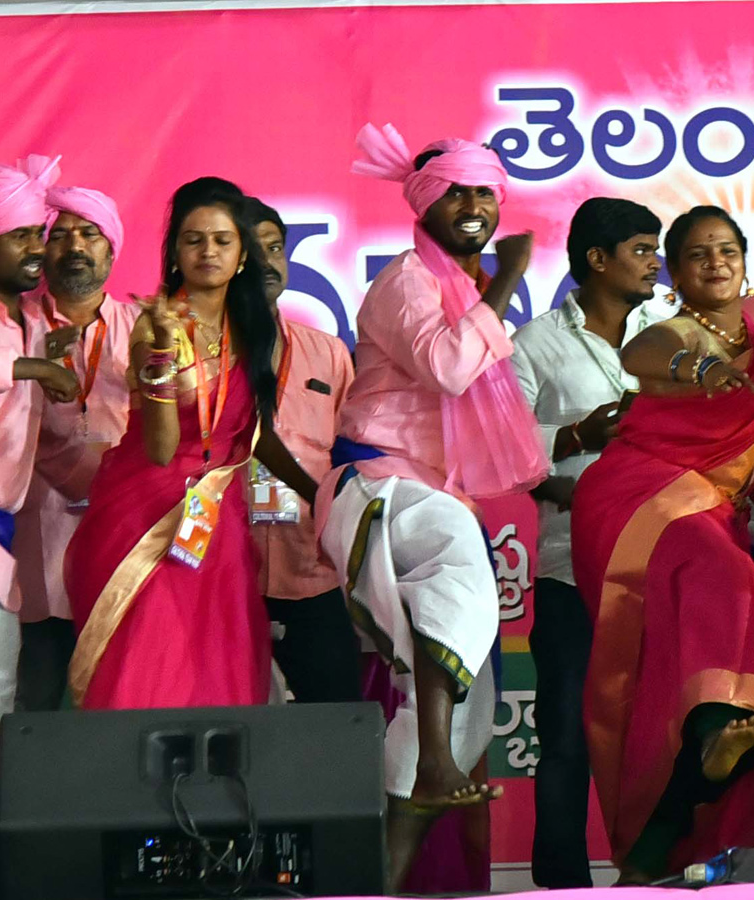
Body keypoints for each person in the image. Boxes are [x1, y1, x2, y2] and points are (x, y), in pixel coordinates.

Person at [570, 193, 754, 882]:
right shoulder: (676, 333)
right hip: (639, 500)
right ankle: (712, 729)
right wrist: (703, 368)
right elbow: (651, 349)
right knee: (726, 581)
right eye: (697, 255)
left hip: (707, 511)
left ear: (743, 263)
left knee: (670, 685)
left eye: (726, 251)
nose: (716, 262)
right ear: (675, 274)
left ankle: (658, 841)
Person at [317, 125, 547, 891]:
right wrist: (508, 282)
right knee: (456, 548)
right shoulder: (407, 283)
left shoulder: (458, 291)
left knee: (463, 697)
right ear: (425, 205)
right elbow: (450, 367)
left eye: (486, 191)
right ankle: (439, 764)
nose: (475, 204)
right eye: (457, 191)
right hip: (378, 486)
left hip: (425, 494)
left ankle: (390, 861)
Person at [64, 177, 315, 711]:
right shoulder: (158, 325)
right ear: (175, 251)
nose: (208, 252)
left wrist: (319, 492)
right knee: (148, 670)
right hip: (145, 511)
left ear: (243, 254)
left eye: (222, 240)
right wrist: (158, 367)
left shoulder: (252, 328)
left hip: (215, 514)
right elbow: (160, 448)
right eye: (193, 239)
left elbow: (253, 433)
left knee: (214, 669)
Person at [510, 197, 669, 888]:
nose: (654, 262)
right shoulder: (533, 344)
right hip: (569, 568)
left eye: (656, 249)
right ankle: (562, 884)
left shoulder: (671, 332)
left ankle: (656, 875)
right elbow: (509, 454)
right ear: (596, 260)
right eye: (641, 249)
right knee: (568, 736)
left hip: (660, 564)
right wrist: (579, 440)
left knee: (661, 731)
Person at [0, 155, 79, 832]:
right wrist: (30, 366)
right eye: (22, 235)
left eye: (40, 233)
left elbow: (47, 450)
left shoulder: (29, 324)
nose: (40, 248)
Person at [13, 185, 137, 712]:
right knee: (31, 700)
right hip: (34, 537)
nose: (74, 246)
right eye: (59, 236)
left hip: (122, 533)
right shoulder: (14, 326)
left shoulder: (146, 328)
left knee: (117, 698)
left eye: (89, 234)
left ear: (111, 249)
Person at [241, 196, 360, 704]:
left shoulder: (327, 352)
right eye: (252, 249)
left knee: (336, 719)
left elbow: (353, 452)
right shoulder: (200, 350)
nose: (269, 262)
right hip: (224, 569)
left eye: (276, 248)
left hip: (313, 566)